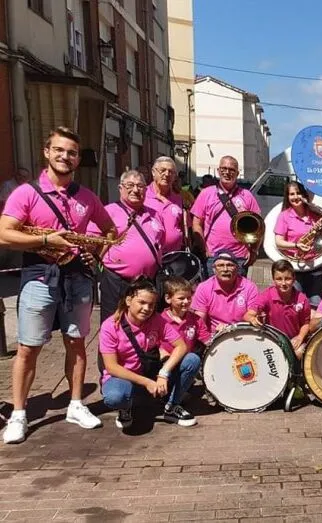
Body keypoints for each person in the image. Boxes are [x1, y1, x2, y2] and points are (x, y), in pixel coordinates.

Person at [0, 127, 117, 444]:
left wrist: (97, 253)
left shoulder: (87, 196)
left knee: (77, 343)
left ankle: (76, 404)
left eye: (73, 152)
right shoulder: (26, 193)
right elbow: (4, 234)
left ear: (78, 158)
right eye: (60, 150)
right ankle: (19, 415)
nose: (66, 156)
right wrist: (45, 239)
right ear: (47, 152)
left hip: (77, 276)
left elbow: (109, 229)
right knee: (28, 348)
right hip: (39, 274)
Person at [100, 278, 201, 430]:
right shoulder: (110, 326)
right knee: (115, 397)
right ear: (128, 300)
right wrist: (146, 383)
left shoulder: (157, 320)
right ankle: (125, 407)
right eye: (142, 302)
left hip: (151, 372)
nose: (147, 308)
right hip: (124, 377)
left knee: (192, 359)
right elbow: (111, 366)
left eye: (151, 304)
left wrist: (164, 373)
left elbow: (181, 346)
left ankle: (171, 406)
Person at [90, 169, 164, 326]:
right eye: (130, 185)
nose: (135, 190)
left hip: (147, 282)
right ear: (120, 188)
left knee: (145, 326)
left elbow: (160, 242)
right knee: (113, 325)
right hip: (117, 281)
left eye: (140, 186)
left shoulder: (155, 214)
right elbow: (91, 241)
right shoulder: (108, 211)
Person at [190, 156, 260, 277]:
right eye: (224, 168)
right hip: (213, 256)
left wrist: (254, 251)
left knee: (237, 294)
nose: (227, 172)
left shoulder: (247, 196)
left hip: (239, 257)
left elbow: (258, 228)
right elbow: (196, 224)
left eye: (231, 169)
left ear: (237, 173)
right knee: (213, 294)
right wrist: (203, 249)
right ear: (218, 171)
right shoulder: (206, 193)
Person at [273, 181, 322, 308]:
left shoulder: (316, 215)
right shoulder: (284, 216)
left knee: (315, 305)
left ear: (304, 195)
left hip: (315, 266)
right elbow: (278, 242)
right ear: (287, 197)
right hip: (294, 267)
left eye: (298, 193)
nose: (295, 197)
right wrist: (297, 246)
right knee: (296, 305)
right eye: (292, 194)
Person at [244, 259, 312, 358]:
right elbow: (247, 315)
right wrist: (253, 319)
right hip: (272, 339)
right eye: (279, 279)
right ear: (273, 279)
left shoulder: (302, 299)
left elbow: (305, 324)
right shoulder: (267, 295)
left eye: (287, 278)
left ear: (294, 278)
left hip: (293, 339)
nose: (283, 283)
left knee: (299, 352)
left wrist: (300, 337)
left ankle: (296, 373)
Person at [191, 250, 260, 336]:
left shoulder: (250, 287)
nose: (225, 269)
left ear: (237, 268)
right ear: (214, 269)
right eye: (220, 265)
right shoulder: (203, 288)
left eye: (230, 265)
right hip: (215, 335)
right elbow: (200, 321)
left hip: (242, 333)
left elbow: (251, 313)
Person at [145, 156, 186, 254]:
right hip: (150, 255)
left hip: (175, 255)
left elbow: (182, 225)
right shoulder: (142, 195)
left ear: (174, 177)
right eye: (162, 170)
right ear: (153, 172)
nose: (167, 174)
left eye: (171, 172)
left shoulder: (178, 198)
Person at [160, 277, 209, 355]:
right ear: (168, 298)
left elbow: (207, 340)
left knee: (192, 359)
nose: (186, 301)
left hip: (188, 359)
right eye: (181, 298)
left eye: (189, 298)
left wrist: (218, 335)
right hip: (168, 359)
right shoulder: (160, 321)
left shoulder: (196, 319)